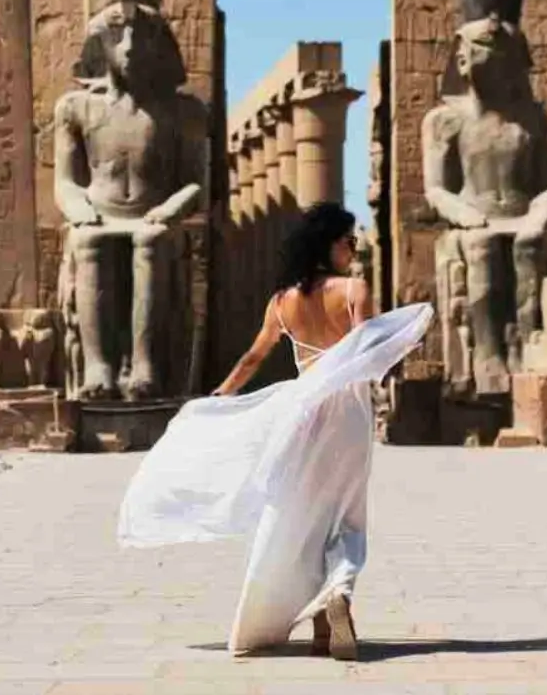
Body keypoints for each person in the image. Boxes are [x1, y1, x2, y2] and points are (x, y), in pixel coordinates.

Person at [117, 203, 434, 662]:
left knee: (305, 513)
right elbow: (366, 349)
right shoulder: (354, 291)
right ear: (327, 243)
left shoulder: (282, 303)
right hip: (349, 413)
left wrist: (218, 397)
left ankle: (324, 629)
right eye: (348, 241)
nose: (354, 249)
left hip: (304, 414)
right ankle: (339, 591)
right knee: (347, 513)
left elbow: (252, 359)